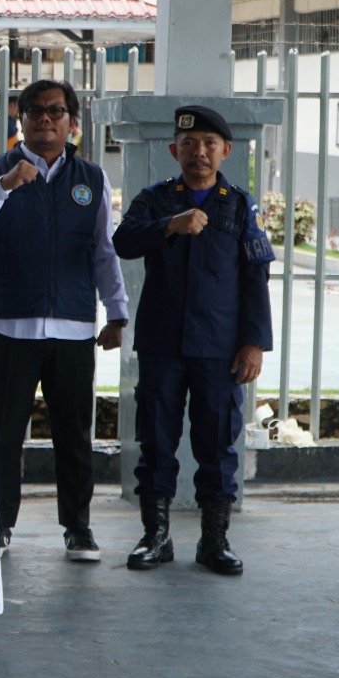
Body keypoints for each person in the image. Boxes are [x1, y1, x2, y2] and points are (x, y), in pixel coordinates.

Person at [0, 78, 127, 561]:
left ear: (72, 121)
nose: (45, 119)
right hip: (12, 326)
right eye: (35, 111)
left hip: (73, 328)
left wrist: (116, 312)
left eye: (56, 111)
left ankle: (78, 528)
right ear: (21, 119)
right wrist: (7, 184)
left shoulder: (91, 178)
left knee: (74, 435)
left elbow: (104, 251)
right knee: (4, 434)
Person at [113, 105, 273, 576]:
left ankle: (214, 540)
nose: (198, 152)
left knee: (217, 445)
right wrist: (169, 225)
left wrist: (254, 343)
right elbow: (123, 241)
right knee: (156, 441)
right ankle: (156, 537)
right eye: (188, 144)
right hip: (162, 343)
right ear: (174, 150)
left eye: (208, 144)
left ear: (225, 151)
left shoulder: (239, 206)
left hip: (219, 349)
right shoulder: (156, 199)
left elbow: (255, 277)